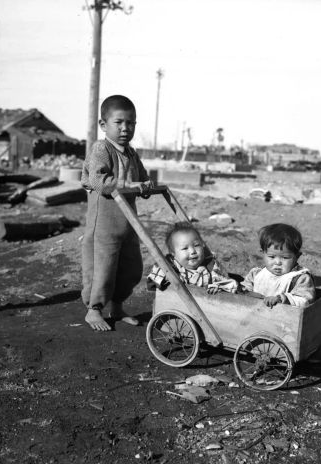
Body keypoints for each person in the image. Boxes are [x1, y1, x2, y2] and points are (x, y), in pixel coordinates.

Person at [81, 94, 154, 331]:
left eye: (131, 123)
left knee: (130, 267)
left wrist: (147, 186)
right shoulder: (101, 149)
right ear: (103, 125)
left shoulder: (131, 153)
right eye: (119, 122)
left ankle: (118, 305)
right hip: (104, 223)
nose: (125, 128)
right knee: (102, 267)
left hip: (129, 222)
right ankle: (94, 309)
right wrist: (131, 186)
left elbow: (142, 178)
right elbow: (99, 180)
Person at [147, 222, 238, 294]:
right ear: (173, 253)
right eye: (185, 248)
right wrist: (169, 280)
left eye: (196, 245)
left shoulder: (211, 266)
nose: (192, 251)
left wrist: (218, 287)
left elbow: (227, 282)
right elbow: (155, 278)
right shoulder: (170, 267)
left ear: (202, 245)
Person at [241, 223, 315, 308]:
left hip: (285, 319)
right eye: (271, 257)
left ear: (297, 256)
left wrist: (282, 299)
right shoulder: (256, 274)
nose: (278, 262)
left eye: (285, 257)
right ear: (263, 254)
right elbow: (244, 289)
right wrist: (247, 293)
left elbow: (305, 301)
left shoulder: (300, 278)